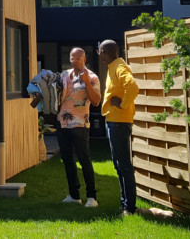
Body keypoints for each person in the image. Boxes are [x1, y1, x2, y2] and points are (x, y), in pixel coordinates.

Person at [56, 47, 101, 207]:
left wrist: (86, 81)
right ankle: (74, 195)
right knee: (67, 160)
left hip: (80, 124)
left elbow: (96, 101)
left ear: (84, 59)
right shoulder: (64, 75)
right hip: (63, 123)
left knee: (84, 159)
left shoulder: (92, 77)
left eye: (78, 58)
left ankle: (91, 197)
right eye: (72, 58)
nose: (75, 61)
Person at [99, 39, 138, 215]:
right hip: (113, 121)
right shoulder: (113, 67)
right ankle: (124, 204)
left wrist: (122, 104)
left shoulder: (119, 67)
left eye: (99, 52)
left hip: (119, 123)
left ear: (104, 52)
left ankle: (130, 207)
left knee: (124, 165)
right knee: (118, 165)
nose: (99, 55)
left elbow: (133, 87)